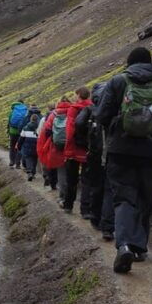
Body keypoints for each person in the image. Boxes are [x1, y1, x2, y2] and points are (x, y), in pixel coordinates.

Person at [95, 47, 152, 274]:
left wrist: (120, 122)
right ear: (150, 63)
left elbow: (101, 116)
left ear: (129, 63)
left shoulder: (117, 82)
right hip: (151, 151)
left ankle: (123, 245)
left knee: (124, 198)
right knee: (145, 197)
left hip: (120, 150)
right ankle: (139, 248)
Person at [75, 82, 108, 233]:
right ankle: (107, 223)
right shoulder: (113, 107)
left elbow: (78, 124)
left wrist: (85, 141)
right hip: (113, 154)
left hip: (94, 152)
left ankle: (91, 214)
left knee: (91, 182)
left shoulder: (89, 110)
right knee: (110, 187)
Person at [62, 87, 92, 215]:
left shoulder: (73, 109)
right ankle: (85, 210)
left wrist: (67, 150)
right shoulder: (94, 108)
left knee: (72, 180)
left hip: (74, 150)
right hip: (89, 150)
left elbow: (69, 131)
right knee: (87, 180)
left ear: (78, 95)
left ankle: (68, 205)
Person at [38, 98, 70, 193]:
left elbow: (47, 130)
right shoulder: (73, 112)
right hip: (71, 145)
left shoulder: (54, 114)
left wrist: (53, 138)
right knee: (71, 169)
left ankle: (62, 194)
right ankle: (70, 194)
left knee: (60, 168)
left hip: (57, 145)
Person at [16, 114, 40, 181]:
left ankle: (29, 172)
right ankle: (33, 172)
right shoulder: (39, 128)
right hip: (36, 147)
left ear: (31, 119)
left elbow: (21, 139)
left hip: (27, 147)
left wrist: (19, 146)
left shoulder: (25, 128)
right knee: (34, 160)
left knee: (28, 159)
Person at [6, 98, 28, 168]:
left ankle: (12, 161)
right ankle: (18, 164)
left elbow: (9, 122)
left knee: (12, 146)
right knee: (19, 147)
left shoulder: (12, 111)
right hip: (21, 132)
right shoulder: (25, 111)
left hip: (12, 132)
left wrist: (8, 130)